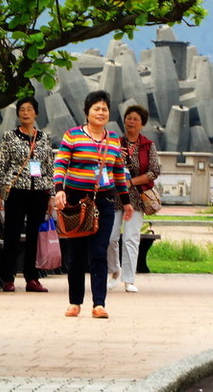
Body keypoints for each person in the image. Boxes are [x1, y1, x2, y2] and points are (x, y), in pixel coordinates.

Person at [52, 91, 133, 319]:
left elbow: (118, 172)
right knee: (76, 254)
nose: (101, 112)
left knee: (99, 251)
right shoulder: (73, 136)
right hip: (76, 200)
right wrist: (59, 191)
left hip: (104, 200)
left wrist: (126, 202)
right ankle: (75, 302)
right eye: (96, 108)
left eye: (104, 109)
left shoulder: (114, 139)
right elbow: (61, 165)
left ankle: (99, 304)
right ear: (87, 112)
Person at [0, 97, 54, 293]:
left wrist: (51, 194)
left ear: (36, 113)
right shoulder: (10, 136)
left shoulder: (44, 138)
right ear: (18, 114)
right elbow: (1, 164)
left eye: (29, 109)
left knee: (34, 236)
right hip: (16, 190)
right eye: (22, 109)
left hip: (39, 192)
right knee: (12, 234)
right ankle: (7, 278)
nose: (25, 113)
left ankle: (32, 278)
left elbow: (49, 168)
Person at [107, 105, 160, 293]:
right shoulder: (114, 143)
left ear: (142, 124)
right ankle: (114, 271)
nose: (131, 122)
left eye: (135, 119)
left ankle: (129, 279)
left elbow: (154, 171)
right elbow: (105, 165)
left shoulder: (147, 145)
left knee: (131, 238)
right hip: (115, 196)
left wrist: (131, 182)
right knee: (110, 237)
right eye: (128, 118)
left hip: (136, 197)